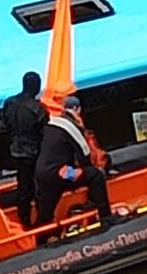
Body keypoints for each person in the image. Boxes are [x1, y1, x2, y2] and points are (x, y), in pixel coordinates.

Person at [34, 97, 111, 231]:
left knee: (46, 211)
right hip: (61, 173)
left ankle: (41, 238)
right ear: (77, 109)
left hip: (41, 173)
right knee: (95, 175)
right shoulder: (72, 127)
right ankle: (106, 218)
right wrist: (87, 168)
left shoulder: (52, 123)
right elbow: (85, 154)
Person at [0, 71, 48, 228]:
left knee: (23, 187)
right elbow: (46, 133)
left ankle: (24, 219)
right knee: (40, 186)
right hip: (34, 153)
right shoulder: (38, 109)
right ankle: (42, 220)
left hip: (16, 151)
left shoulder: (9, 103)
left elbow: (2, 128)